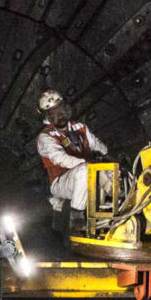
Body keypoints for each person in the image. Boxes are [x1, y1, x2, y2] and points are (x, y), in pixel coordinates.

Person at [35, 89, 109, 227]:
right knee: (85, 171)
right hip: (60, 182)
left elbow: (100, 147)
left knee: (112, 171)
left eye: (60, 109)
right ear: (47, 117)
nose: (59, 114)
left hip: (86, 171)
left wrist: (104, 157)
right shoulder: (45, 137)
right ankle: (76, 216)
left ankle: (117, 211)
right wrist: (87, 163)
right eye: (53, 113)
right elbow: (61, 159)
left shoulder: (79, 127)